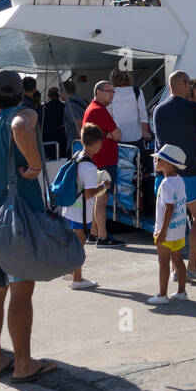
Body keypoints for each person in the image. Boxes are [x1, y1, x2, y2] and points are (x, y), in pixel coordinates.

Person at [0, 70, 55, 383]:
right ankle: (23, 364)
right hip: (20, 221)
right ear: (22, 95)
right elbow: (19, 126)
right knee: (21, 296)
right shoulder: (24, 114)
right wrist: (34, 166)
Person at [153, 71, 196, 279]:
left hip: (164, 176)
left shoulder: (158, 110)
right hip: (189, 173)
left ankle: (176, 269)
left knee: (172, 221)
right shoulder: (195, 109)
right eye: (189, 83)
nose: (190, 87)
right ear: (183, 84)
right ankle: (192, 266)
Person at [62, 123, 107, 290]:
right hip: (81, 212)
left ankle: (71, 272)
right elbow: (89, 194)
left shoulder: (77, 155)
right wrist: (103, 186)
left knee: (74, 243)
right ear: (96, 143)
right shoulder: (90, 167)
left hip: (71, 208)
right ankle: (78, 279)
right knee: (80, 245)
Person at [82, 80, 125, 245]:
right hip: (104, 162)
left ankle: (93, 233)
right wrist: (109, 135)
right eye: (109, 91)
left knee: (97, 198)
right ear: (99, 92)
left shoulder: (92, 109)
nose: (112, 94)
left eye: (113, 91)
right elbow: (118, 134)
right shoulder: (100, 111)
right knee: (102, 199)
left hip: (98, 161)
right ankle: (103, 236)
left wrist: (108, 135)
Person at [149, 144, 191, 305]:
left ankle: (162, 295)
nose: (156, 162)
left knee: (164, 262)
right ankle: (182, 291)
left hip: (166, 231)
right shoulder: (179, 181)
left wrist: (162, 231)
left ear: (169, 163)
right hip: (178, 230)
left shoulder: (166, 184)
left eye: (159, 159)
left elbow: (169, 207)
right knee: (178, 259)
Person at [109, 68, 152, 147]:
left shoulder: (111, 93)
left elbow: (109, 115)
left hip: (118, 136)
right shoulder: (137, 91)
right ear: (128, 77)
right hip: (136, 135)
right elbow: (143, 113)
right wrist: (145, 132)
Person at [40, 86, 69, 160]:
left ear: (48, 96)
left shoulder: (43, 108)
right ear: (59, 95)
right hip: (62, 139)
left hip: (47, 140)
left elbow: (40, 124)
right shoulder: (64, 106)